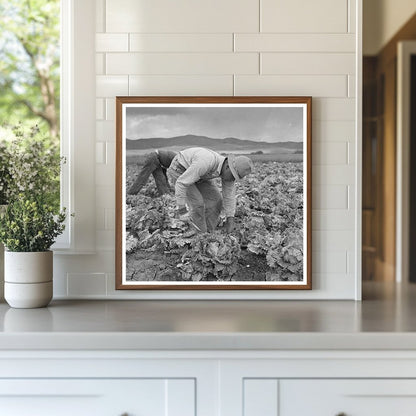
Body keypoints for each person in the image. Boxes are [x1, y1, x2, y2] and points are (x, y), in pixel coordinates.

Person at [167, 147, 253, 233]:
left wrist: (230, 220)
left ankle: (208, 232)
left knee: (216, 200)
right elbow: (181, 183)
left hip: (200, 174)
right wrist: (182, 210)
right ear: (227, 167)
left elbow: (229, 196)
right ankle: (198, 236)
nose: (232, 180)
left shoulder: (228, 174)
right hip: (180, 168)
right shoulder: (205, 162)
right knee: (197, 203)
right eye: (233, 176)